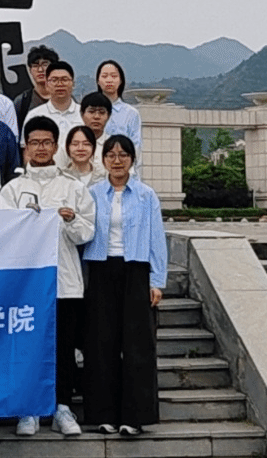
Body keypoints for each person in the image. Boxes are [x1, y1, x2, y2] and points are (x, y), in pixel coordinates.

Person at [0, 115, 95, 439]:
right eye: (35, 142)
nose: (40, 148)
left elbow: (86, 233)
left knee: (63, 348)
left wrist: (70, 220)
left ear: (56, 147)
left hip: (64, 282)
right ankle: (28, 409)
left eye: (46, 142)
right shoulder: (12, 190)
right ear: (25, 147)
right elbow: (5, 235)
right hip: (26, 284)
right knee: (26, 346)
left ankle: (62, 407)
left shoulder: (73, 188)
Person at [82, 135, 166, 437]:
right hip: (101, 269)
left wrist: (157, 280)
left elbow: (157, 238)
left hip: (136, 269)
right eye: (111, 155)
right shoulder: (92, 194)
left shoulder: (146, 195)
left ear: (132, 159)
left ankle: (135, 416)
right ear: (103, 159)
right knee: (101, 343)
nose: (117, 161)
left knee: (137, 346)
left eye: (123, 155)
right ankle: (103, 414)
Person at [96, 61, 143, 174]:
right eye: (104, 76)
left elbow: (136, 148)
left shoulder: (131, 113)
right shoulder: (89, 112)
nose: (109, 80)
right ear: (98, 81)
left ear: (121, 80)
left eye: (114, 76)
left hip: (123, 171)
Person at [27, 62, 82, 151]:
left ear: (73, 84)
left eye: (64, 79)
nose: (60, 84)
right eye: (54, 80)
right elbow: (27, 151)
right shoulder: (34, 115)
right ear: (46, 85)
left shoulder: (84, 114)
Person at [13, 44, 59, 132]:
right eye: (35, 65)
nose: (40, 70)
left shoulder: (63, 98)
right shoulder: (22, 101)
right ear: (30, 70)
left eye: (45, 64)